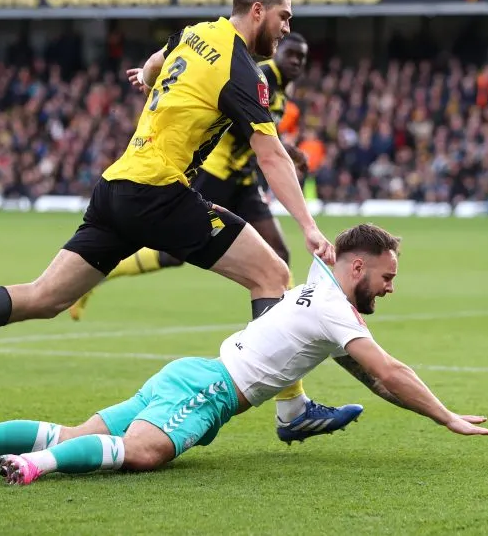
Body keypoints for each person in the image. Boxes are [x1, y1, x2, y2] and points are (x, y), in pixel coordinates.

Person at [0, 0, 358, 444]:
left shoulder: (196, 34)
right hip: (159, 192)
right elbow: (272, 155)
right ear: (257, 10)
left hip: (116, 186)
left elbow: (154, 63)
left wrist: (146, 78)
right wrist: (308, 225)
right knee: (272, 273)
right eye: (284, 17)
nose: (286, 29)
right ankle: (291, 410)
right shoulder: (242, 70)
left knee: (44, 297)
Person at [0, 224, 488, 485]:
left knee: (76, 433)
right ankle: (32, 468)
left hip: (191, 374)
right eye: (387, 276)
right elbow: (389, 371)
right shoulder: (335, 307)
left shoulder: (323, 286)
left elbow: (377, 381)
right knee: (146, 455)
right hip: (208, 390)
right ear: (358, 266)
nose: (391, 288)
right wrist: (447, 416)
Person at [65, 32, 322, 443]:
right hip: (217, 174)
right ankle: (93, 279)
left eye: (302, 57)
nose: (296, 61)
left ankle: (291, 401)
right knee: (176, 255)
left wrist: (286, 147)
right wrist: (287, 151)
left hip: (241, 179)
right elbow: (246, 127)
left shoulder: (281, 94)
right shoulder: (261, 76)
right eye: (292, 52)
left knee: (278, 258)